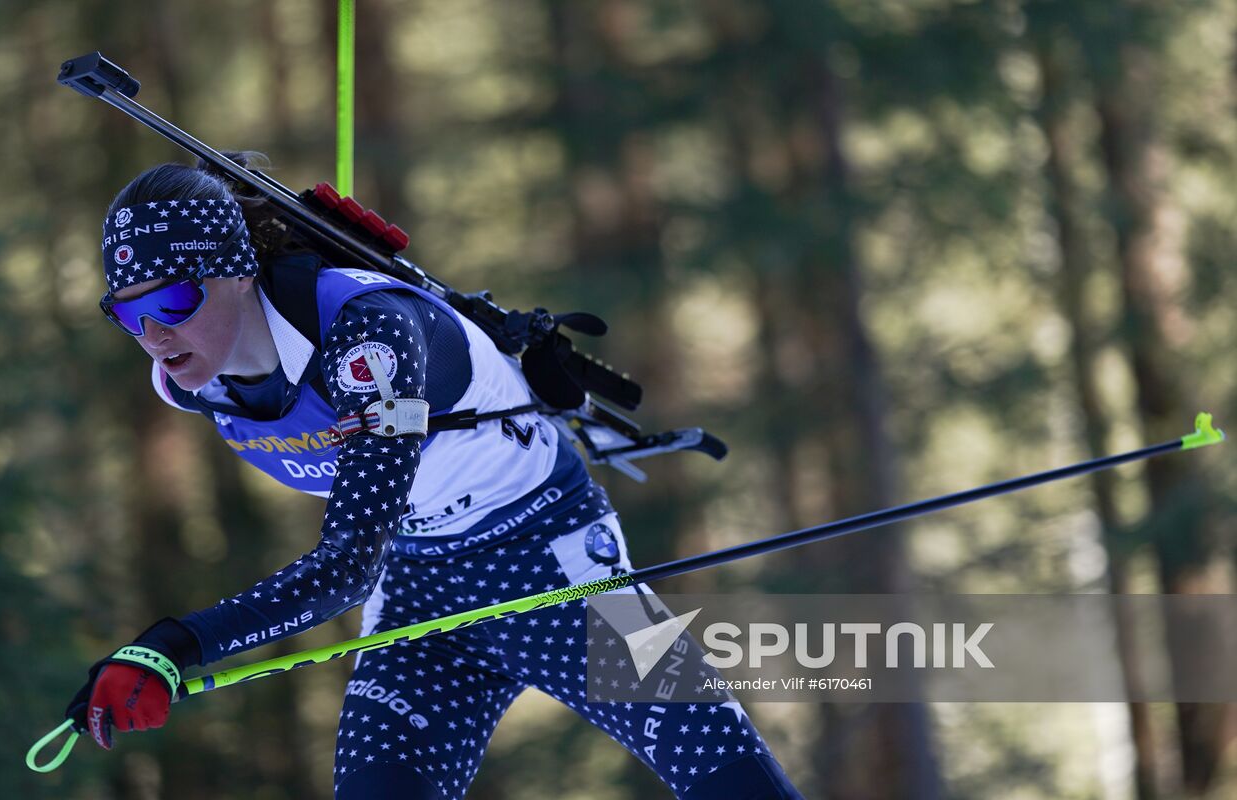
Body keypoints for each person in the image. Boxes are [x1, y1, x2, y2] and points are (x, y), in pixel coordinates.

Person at [64, 154, 803, 800]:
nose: (154, 337)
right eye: (126, 315)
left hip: (545, 558)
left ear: (237, 271)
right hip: (418, 585)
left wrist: (174, 644)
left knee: (724, 777)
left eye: (172, 301)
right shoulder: (191, 379)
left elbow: (348, 564)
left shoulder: (371, 336)